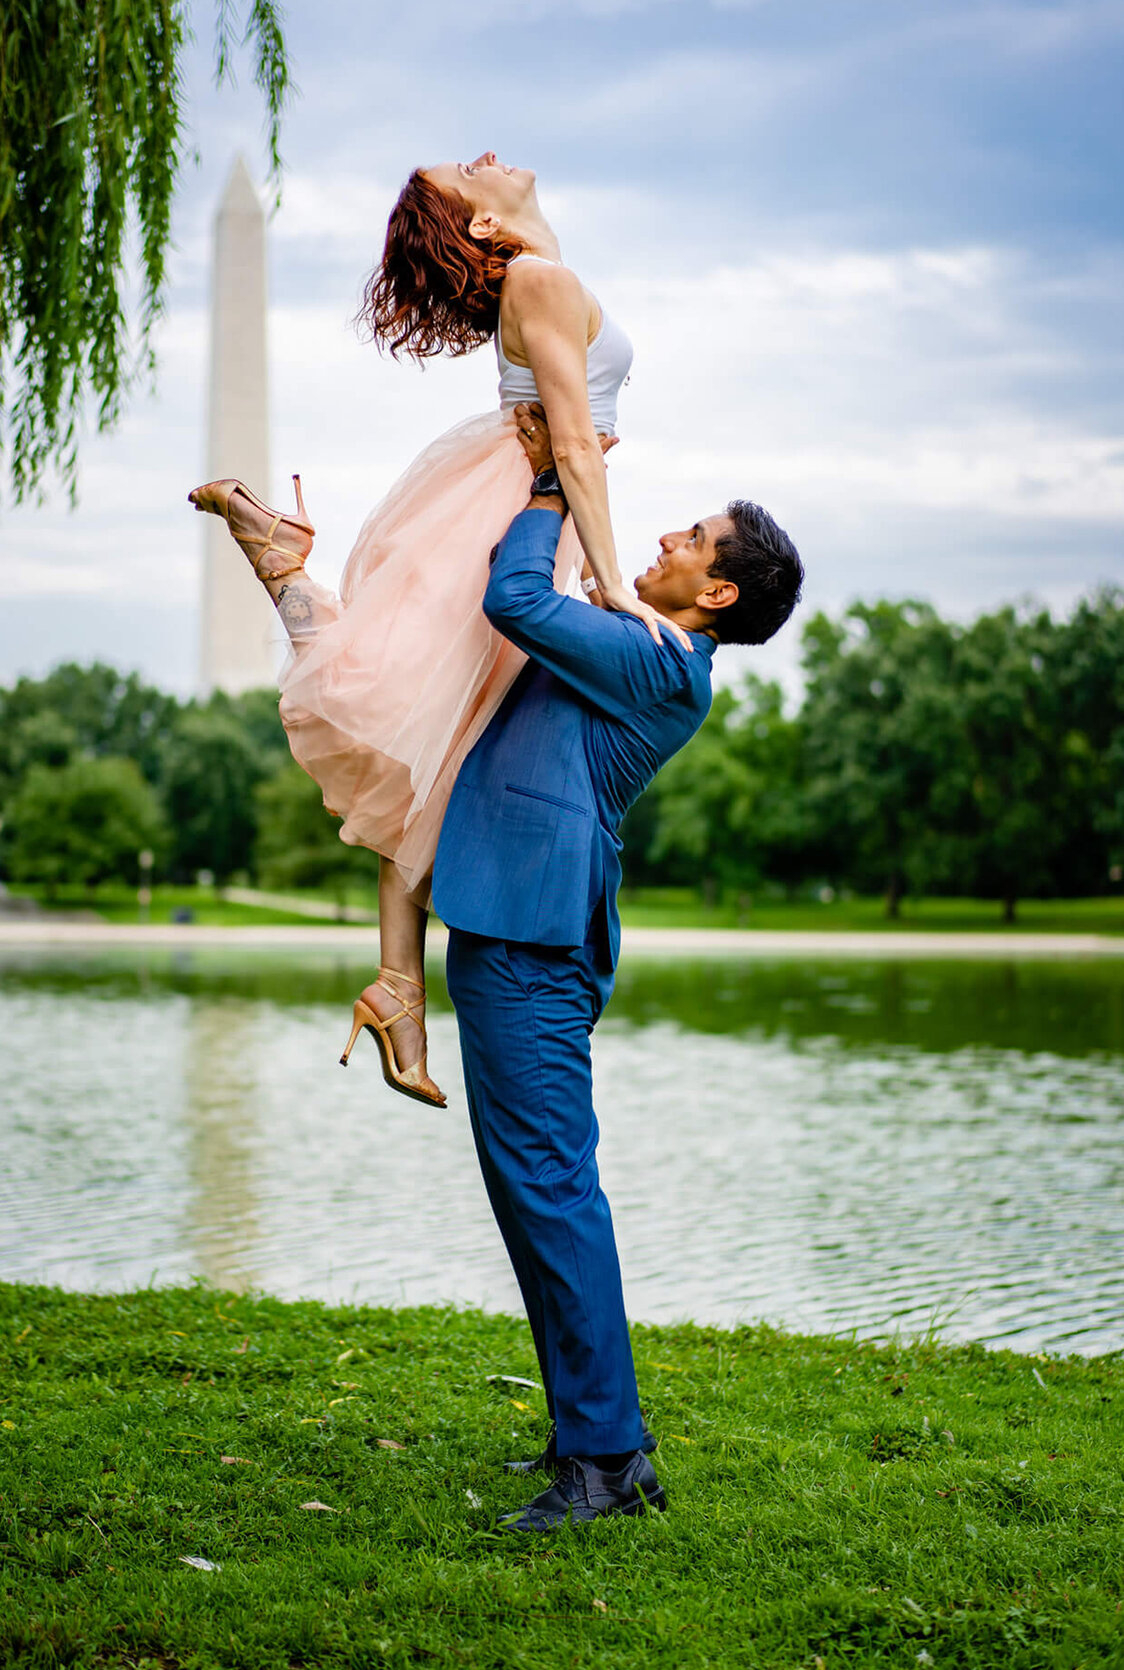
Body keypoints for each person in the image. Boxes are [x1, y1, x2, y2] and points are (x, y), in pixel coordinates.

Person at [191, 152, 682, 1106]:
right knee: (412, 723)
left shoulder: (540, 267)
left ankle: (397, 986)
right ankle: (277, 560)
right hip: (519, 503)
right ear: (486, 228)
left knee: (433, 738)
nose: (487, 159)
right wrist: (614, 585)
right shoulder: (541, 278)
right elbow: (576, 439)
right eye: (469, 171)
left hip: (514, 495)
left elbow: (576, 418)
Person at [451, 405, 802, 1530]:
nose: (664, 537)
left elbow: (512, 600)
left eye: (692, 538)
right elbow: (536, 609)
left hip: (533, 941)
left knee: (553, 1191)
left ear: (718, 595)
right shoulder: (630, 636)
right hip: (511, 925)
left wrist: (556, 483)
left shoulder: (661, 662)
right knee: (528, 1193)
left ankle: (608, 1461)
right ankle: (583, 1431)